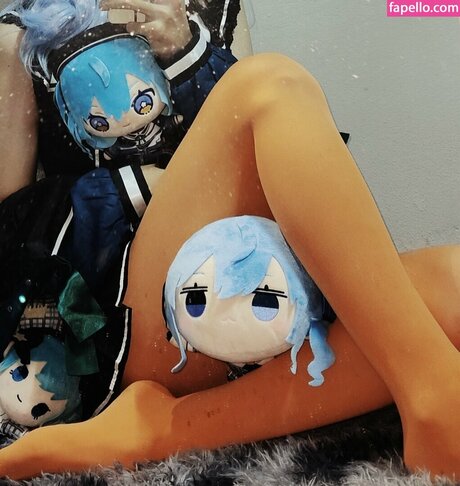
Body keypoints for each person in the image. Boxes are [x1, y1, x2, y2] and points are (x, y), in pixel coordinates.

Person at [0, 51, 459, 481]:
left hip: (239, 260)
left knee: (452, 286)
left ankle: (166, 426)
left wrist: (184, 41)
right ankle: (434, 398)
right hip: (114, 313)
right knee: (269, 88)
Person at [0, 0, 242, 200]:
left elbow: (241, 135)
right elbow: (15, 215)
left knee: (259, 81)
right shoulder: (19, 36)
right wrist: (136, 189)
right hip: (129, 235)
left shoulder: (211, 5)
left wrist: (184, 51)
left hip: (222, 208)